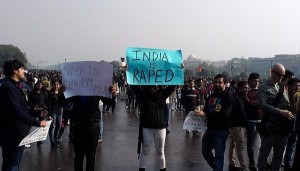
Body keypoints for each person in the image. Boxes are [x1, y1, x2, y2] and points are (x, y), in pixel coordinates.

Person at [0, 60, 47, 171]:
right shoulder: (8, 88)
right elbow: (17, 111)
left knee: (14, 163)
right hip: (12, 134)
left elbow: (23, 107)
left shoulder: (15, 86)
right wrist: (38, 122)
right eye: (21, 69)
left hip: (17, 132)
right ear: (15, 70)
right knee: (12, 165)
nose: (24, 71)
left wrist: (37, 113)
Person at [257, 63, 293, 171]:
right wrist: (280, 111)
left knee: (278, 155)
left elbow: (287, 103)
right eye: (279, 75)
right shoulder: (263, 87)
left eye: (283, 75)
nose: (281, 77)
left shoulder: (282, 87)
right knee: (264, 154)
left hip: (282, 127)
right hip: (269, 126)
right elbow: (263, 105)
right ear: (272, 72)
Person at [132, 85, 176, 171]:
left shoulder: (163, 94)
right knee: (145, 151)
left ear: (158, 87)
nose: (152, 88)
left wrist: (179, 72)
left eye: (155, 87)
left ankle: (162, 169)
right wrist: (128, 73)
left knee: (160, 152)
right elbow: (134, 86)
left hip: (160, 129)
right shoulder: (143, 95)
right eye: (150, 87)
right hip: (147, 128)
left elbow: (172, 86)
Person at [196, 74, 233, 171]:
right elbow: (206, 110)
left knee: (219, 156)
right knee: (205, 152)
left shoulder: (228, 97)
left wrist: (206, 114)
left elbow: (225, 114)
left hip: (221, 131)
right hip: (209, 130)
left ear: (225, 84)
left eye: (220, 82)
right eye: (215, 82)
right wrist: (201, 110)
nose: (217, 84)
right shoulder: (211, 96)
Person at [68, 95, 111, 171]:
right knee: (78, 157)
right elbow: (62, 102)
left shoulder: (95, 89)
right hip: (78, 127)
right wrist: (61, 92)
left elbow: (110, 102)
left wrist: (113, 94)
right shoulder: (75, 88)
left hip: (92, 127)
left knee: (91, 157)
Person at [228, 81, 248, 171]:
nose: (246, 89)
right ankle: (243, 167)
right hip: (237, 124)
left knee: (233, 144)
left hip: (234, 124)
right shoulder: (237, 97)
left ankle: (232, 163)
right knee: (240, 145)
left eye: (247, 87)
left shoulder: (240, 96)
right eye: (244, 87)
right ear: (239, 88)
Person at [244, 72, 261, 171]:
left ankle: (260, 161)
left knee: (263, 144)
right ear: (249, 81)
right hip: (251, 119)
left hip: (261, 119)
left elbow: (263, 103)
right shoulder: (246, 92)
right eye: (254, 81)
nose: (256, 83)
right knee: (251, 143)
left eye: (258, 81)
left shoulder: (261, 91)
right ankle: (252, 162)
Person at [48, 80, 65, 146]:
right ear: (53, 85)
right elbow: (49, 104)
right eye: (55, 84)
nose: (56, 86)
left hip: (59, 111)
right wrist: (49, 114)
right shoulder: (50, 93)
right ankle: (52, 141)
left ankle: (56, 139)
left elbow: (63, 102)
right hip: (53, 111)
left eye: (57, 84)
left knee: (59, 125)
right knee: (52, 126)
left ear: (59, 85)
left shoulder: (61, 93)